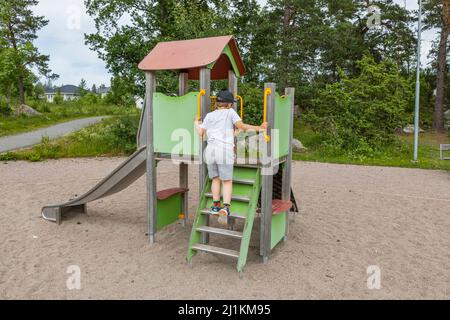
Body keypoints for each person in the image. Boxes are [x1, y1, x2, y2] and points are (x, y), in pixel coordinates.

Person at [194, 90, 267, 226]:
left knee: (215, 179)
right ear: (229, 105)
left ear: (217, 103)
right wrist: (260, 128)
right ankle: (226, 207)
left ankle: (215, 206)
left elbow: (201, 133)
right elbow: (242, 127)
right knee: (226, 181)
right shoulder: (230, 113)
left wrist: (195, 122)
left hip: (209, 151)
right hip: (224, 151)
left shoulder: (209, 115)